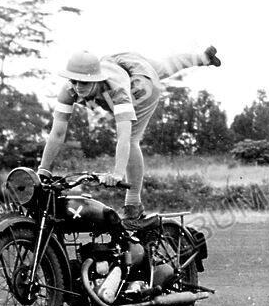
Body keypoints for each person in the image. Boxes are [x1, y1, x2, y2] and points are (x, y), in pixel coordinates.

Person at [38, 46, 221, 226]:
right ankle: (203, 58)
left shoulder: (118, 92)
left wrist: (117, 173)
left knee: (133, 139)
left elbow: (123, 136)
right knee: (164, 66)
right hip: (120, 62)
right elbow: (58, 133)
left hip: (141, 86)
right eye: (74, 81)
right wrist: (43, 170)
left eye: (84, 83)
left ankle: (133, 204)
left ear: (96, 79)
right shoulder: (69, 90)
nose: (78, 87)